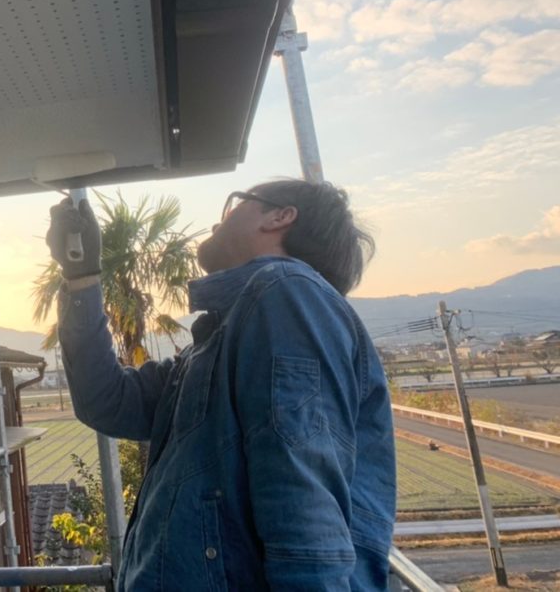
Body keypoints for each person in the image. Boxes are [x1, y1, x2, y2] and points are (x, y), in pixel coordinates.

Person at [48, 180, 395, 591]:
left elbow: (303, 499)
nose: (218, 220)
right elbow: (107, 401)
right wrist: (82, 278)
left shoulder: (286, 293)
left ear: (280, 216)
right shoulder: (219, 340)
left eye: (234, 204)